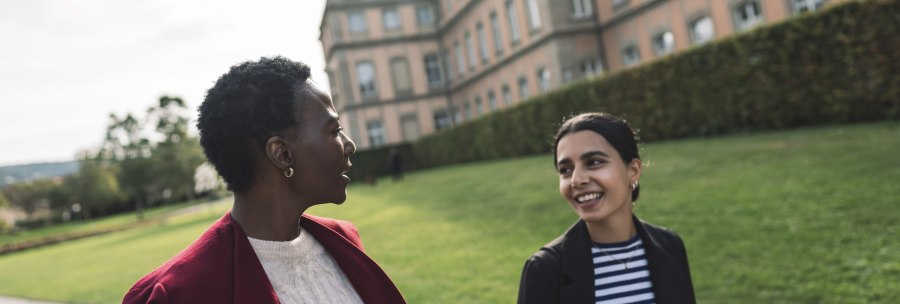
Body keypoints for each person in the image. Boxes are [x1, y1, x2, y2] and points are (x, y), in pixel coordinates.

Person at [123, 57, 406, 304]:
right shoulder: (179, 294)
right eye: (335, 130)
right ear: (282, 154)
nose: (349, 145)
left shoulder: (343, 240)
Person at [517, 113, 695, 304]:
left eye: (593, 162)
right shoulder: (545, 269)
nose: (577, 180)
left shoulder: (670, 246)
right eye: (565, 170)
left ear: (633, 170)